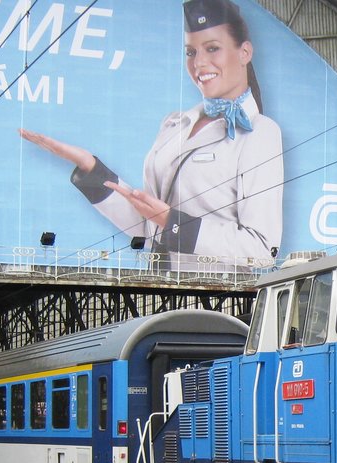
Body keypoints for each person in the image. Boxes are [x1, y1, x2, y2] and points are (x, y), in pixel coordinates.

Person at [19, 0, 283, 270]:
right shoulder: (174, 124)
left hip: (217, 290)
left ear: (244, 52)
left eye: (212, 48)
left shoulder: (260, 132)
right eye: (191, 52)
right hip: (160, 283)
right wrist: (92, 171)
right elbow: (149, 230)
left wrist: (172, 223)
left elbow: (262, 249)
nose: (199, 63)